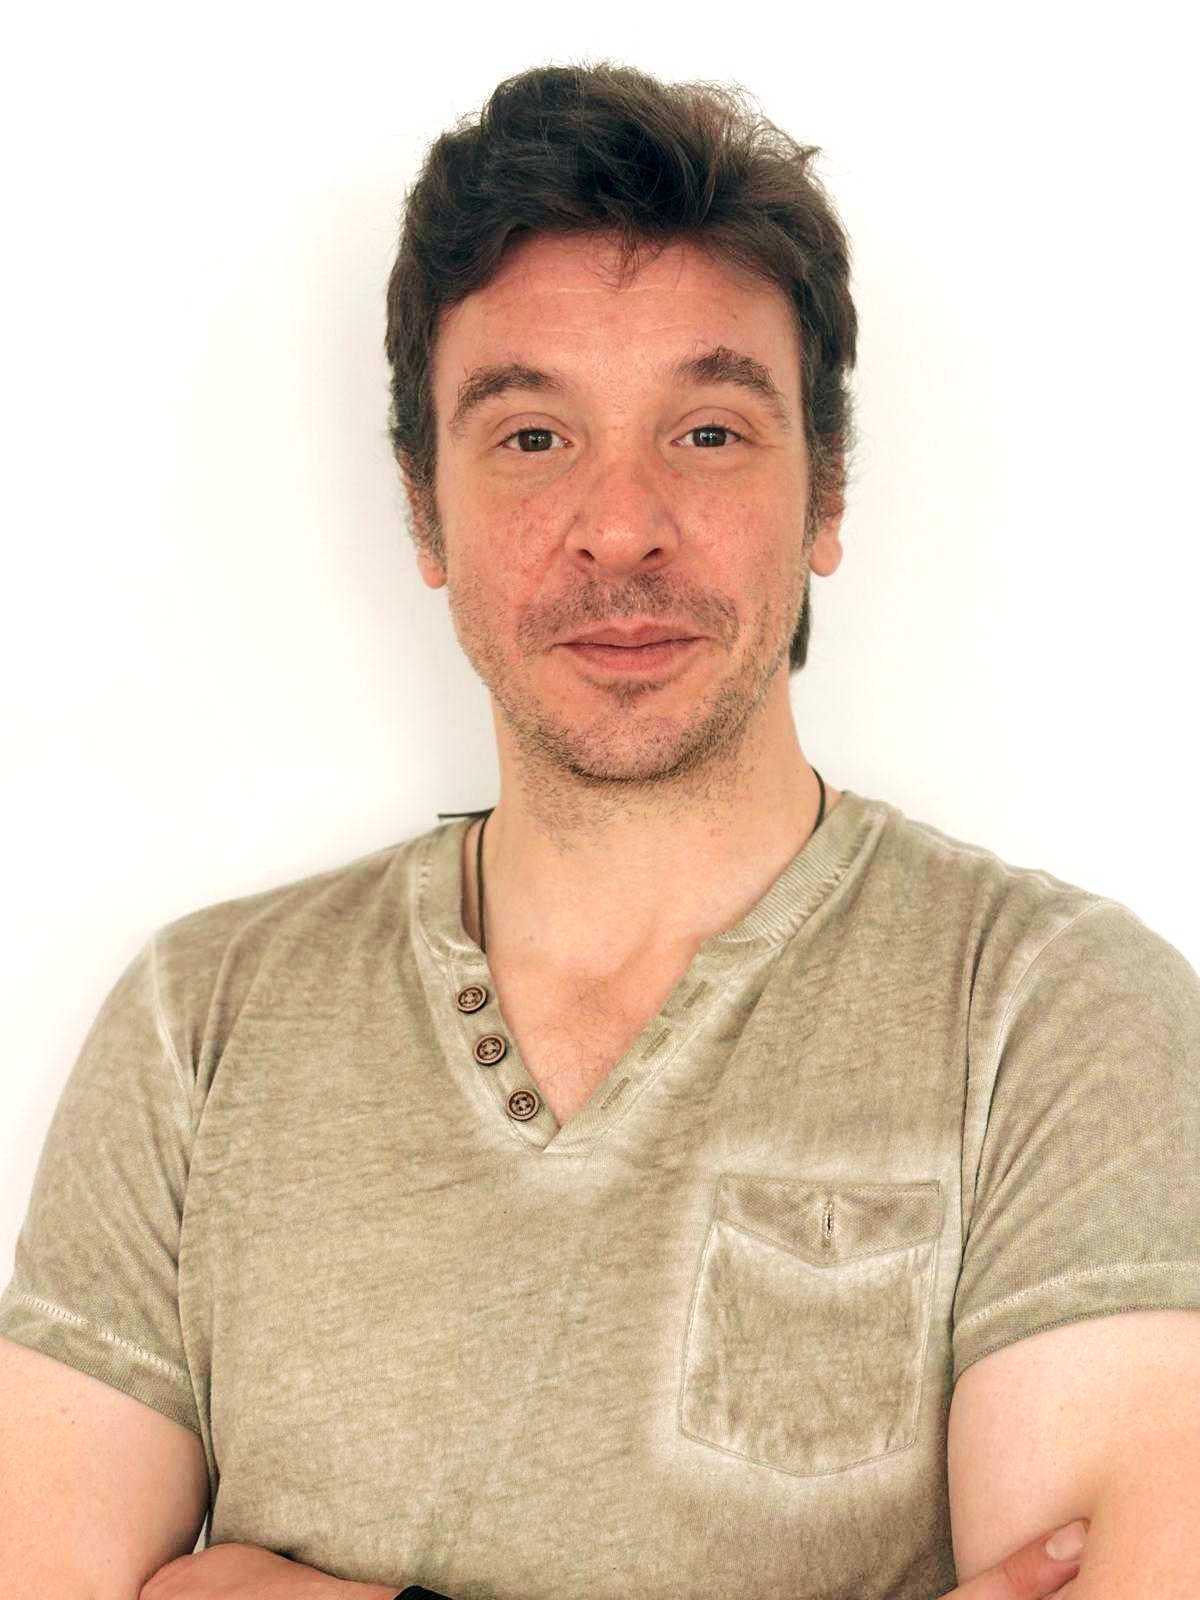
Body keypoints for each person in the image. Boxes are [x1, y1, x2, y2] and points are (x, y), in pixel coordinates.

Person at [2, 60, 1198, 1600]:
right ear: (424, 512)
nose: (621, 525)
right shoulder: (202, 1026)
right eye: (532, 438)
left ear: (825, 492)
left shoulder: (1050, 1016)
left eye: (707, 433)